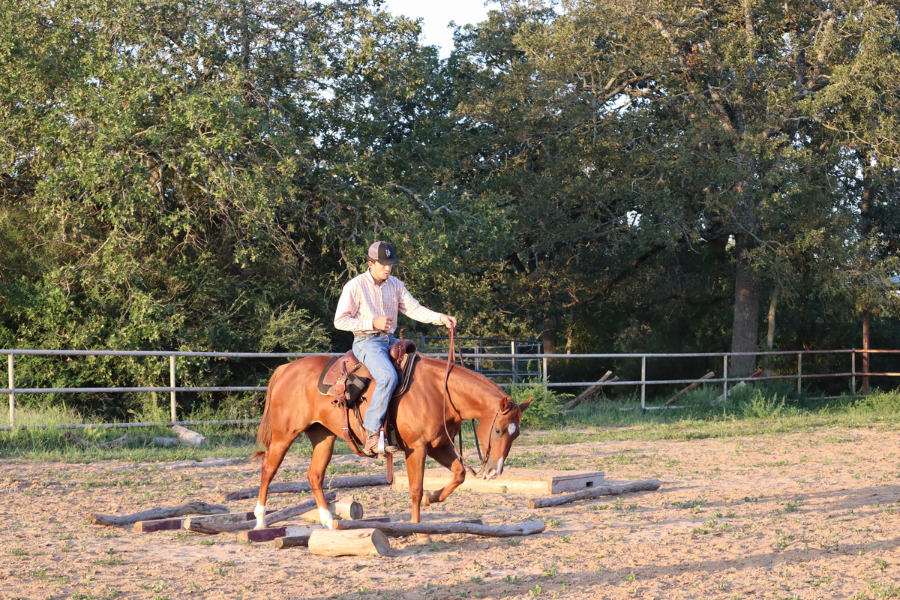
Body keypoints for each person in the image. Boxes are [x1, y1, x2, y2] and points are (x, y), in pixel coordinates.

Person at [334, 241, 457, 454]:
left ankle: (413, 425)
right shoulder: (355, 286)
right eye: (383, 264)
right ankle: (371, 433)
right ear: (370, 263)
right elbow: (340, 321)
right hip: (366, 342)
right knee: (388, 377)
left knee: (422, 371)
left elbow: (414, 309)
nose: (388, 268)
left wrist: (440, 318)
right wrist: (371, 323)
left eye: (390, 264)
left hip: (390, 340)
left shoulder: (396, 285)